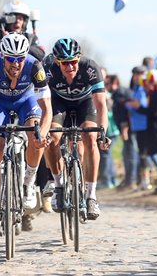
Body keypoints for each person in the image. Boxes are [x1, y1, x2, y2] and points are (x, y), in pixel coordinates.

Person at [0, 33, 51, 235]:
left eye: (20, 59)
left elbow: (47, 109)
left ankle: (28, 183)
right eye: (10, 59)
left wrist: (42, 134)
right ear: (3, 55)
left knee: (35, 137)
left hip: (27, 101)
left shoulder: (35, 67)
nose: (15, 64)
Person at [43, 38, 109, 219]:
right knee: (52, 140)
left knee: (90, 139)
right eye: (65, 63)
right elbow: (42, 103)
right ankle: (58, 185)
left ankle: (91, 196)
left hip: (84, 104)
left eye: (73, 61)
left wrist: (103, 133)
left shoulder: (90, 68)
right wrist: (43, 130)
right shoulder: (47, 69)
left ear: (79, 58)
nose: (70, 67)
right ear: (57, 61)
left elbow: (101, 104)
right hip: (58, 104)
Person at [0, 0, 45, 65]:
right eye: (13, 18)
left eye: (20, 18)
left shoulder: (30, 38)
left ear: (24, 22)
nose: (17, 21)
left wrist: (17, 44)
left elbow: (40, 54)